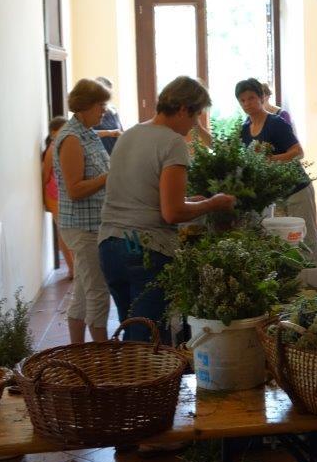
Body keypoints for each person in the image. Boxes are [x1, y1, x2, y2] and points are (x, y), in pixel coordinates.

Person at [98, 76, 236, 342]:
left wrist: (191, 201)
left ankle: (129, 370)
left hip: (110, 245)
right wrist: (213, 203)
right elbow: (172, 213)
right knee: (148, 339)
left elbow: (143, 193)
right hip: (144, 248)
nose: (195, 124)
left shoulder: (130, 134)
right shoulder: (173, 142)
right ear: (183, 109)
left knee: (131, 330)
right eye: (195, 116)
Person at [235, 77, 317, 267]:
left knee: (307, 240)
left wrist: (269, 159)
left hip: (297, 189)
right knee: (284, 244)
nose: (247, 103)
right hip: (275, 195)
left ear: (261, 98)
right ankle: (296, 282)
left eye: (251, 98)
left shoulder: (276, 123)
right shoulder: (244, 129)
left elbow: (298, 152)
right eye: (242, 100)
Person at [54, 78, 111, 344]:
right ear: (86, 105)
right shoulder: (71, 138)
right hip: (82, 226)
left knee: (81, 292)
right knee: (97, 292)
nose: (104, 111)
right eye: (101, 105)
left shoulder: (88, 133)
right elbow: (75, 189)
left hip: (93, 223)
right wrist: (110, 177)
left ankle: (77, 352)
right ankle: (102, 355)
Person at [41, 116, 74, 278]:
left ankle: (75, 268)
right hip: (55, 196)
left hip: (65, 195)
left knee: (69, 231)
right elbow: (45, 176)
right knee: (63, 232)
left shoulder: (64, 146)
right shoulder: (52, 149)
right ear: (53, 133)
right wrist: (43, 199)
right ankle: (72, 269)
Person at [94, 75, 124, 155]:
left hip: (115, 154)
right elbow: (85, 134)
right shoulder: (90, 111)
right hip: (100, 154)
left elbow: (120, 130)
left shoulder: (113, 110)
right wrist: (108, 132)